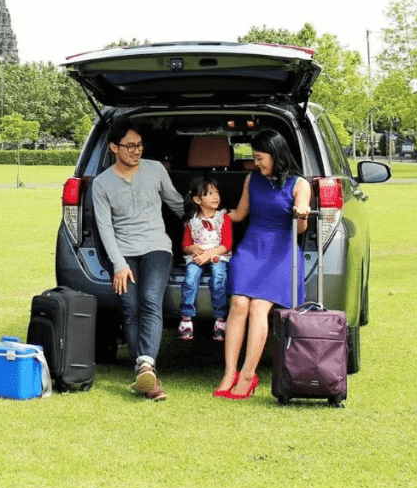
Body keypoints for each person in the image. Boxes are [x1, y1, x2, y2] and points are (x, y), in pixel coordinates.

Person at [214, 129, 311, 400]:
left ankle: (248, 375)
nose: (256, 163)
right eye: (255, 158)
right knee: (238, 304)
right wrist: (209, 215)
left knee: (259, 307)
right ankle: (229, 372)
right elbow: (241, 214)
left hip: (281, 250)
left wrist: (301, 214)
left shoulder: (299, 184)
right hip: (251, 247)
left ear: (275, 154)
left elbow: (300, 230)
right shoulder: (251, 179)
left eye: (260, 157)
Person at [92, 118, 184, 401]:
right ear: (113, 147)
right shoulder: (101, 183)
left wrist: (203, 224)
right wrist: (118, 264)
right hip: (123, 251)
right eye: (129, 146)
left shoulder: (155, 169)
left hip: (157, 247)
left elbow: (176, 203)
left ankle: (145, 367)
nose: (136, 151)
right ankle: (146, 372)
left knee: (149, 298)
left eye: (140, 145)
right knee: (129, 306)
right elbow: (105, 227)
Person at [178, 176, 232, 342]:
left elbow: (227, 244)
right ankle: (186, 317)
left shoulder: (223, 218)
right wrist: (192, 249)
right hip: (198, 255)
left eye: (216, 192)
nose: (215, 197)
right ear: (197, 199)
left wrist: (209, 255)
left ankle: (220, 319)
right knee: (190, 278)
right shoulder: (192, 221)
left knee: (219, 279)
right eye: (209, 194)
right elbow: (185, 244)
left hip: (218, 254)